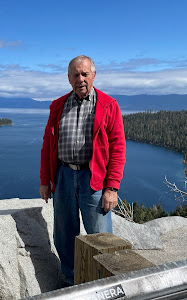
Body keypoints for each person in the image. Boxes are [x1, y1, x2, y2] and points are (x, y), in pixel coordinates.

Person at [39, 55, 126, 286]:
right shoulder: (58, 106)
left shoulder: (108, 105)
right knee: (64, 235)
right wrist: (45, 181)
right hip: (64, 176)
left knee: (101, 237)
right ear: (68, 78)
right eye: (75, 74)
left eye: (85, 74)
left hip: (94, 178)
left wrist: (112, 188)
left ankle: (105, 285)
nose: (80, 79)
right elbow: (48, 145)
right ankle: (71, 281)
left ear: (93, 75)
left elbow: (118, 148)